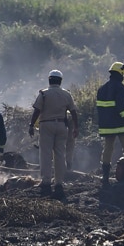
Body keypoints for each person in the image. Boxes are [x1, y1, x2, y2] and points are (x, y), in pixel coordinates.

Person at [29, 69, 79, 198]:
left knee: (45, 153)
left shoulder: (44, 94)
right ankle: (59, 182)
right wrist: (76, 128)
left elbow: (37, 111)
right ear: (60, 81)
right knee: (60, 154)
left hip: (46, 125)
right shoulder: (67, 94)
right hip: (62, 126)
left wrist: (31, 125)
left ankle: (46, 181)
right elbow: (73, 112)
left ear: (49, 80)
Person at [96, 62, 124, 185]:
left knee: (108, 149)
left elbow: (100, 110)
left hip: (107, 126)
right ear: (119, 74)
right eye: (123, 75)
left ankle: (105, 177)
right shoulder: (120, 88)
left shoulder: (102, 89)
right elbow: (122, 108)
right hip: (121, 124)